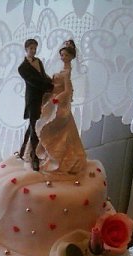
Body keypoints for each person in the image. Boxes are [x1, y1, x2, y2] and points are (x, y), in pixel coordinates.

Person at [35, 44, 86, 174]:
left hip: (58, 103)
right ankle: (49, 155)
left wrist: (57, 99)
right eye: (62, 55)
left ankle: (59, 158)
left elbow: (67, 90)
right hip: (53, 100)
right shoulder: (63, 70)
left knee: (54, 128)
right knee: (49, 126)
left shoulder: (67, 72)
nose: (63, 57)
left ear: (72, 57)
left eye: (66, 55)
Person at [18, 38, 53, 171]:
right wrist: (49, 87)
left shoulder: (38, 61)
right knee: (34, 127)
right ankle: (34, 157)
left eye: (35, 48)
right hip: (33, 100)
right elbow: (35, 81)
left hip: (43, 97)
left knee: (33, 126)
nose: (33, 51)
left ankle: (23, 151)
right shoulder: (22, 68)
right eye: (31, 48)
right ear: (26, 49)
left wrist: (53, 81)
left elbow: (43, 76)